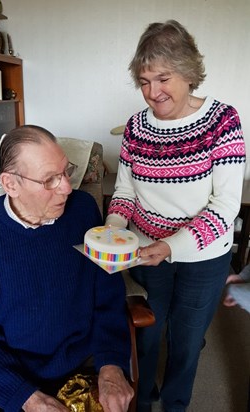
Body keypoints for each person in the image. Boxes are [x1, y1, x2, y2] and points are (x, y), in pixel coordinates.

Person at [105, 20, 246, 412]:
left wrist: (172, 245)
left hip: (203, 258)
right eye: (144, 82)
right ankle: (143, 400)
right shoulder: (135, 127)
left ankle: (176, 403)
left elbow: (225, 206)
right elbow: (125, 191)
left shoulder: (222, 121)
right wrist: (112, 232)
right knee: (147, 335)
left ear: (187, 72)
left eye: (163, 78)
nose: (153, 92)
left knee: (186, 340)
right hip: (146, 250)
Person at [0, 125, 134, 412]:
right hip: (8, 371)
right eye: (50, 179)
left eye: (66, 172)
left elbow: (107, 296)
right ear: (11, 184)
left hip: (80, 359)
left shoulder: (84, 210)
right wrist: (28, 398)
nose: (65, 187)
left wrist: (111, 364)